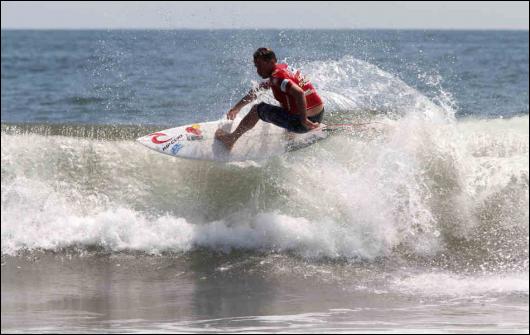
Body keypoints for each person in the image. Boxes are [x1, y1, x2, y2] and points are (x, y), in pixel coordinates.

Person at [215, 48, 325, 150]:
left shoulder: (276, 78)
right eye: (256, 66)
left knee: (257, 110)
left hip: (303, 123)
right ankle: (291, 138)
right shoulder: (283, 68)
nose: (258, 70)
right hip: (319, 115)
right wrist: (237, 108)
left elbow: (299, 93)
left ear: (271, 61)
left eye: (260, 65)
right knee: (285, 103)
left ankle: (231, 139)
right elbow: (260, 89)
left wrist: (304, 120)